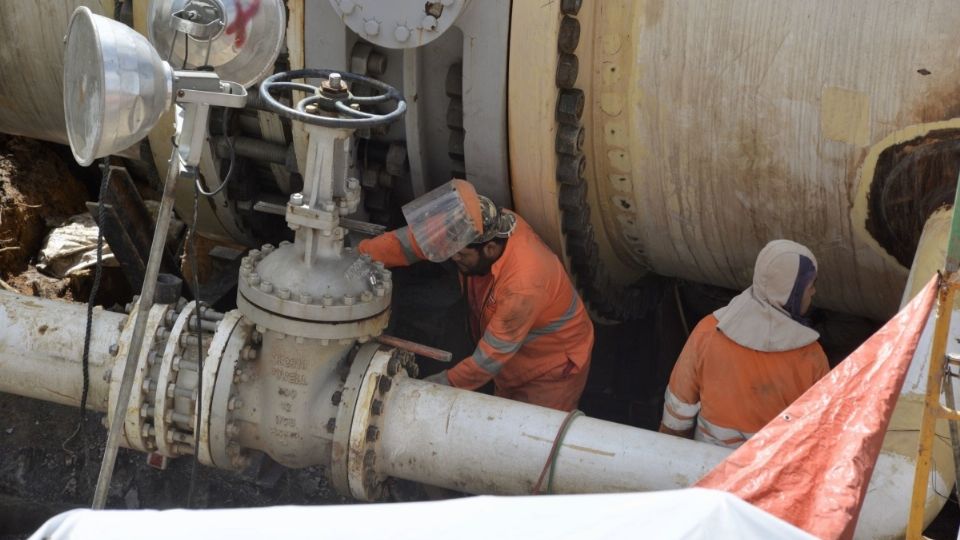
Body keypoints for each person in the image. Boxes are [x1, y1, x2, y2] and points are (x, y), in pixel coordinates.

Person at [359, 179, 594, 412]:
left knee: (527, 436)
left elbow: (487, 361)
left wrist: (433, 388)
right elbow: (409, 244)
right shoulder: (479, 227)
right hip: (510, 353)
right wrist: (362, 255)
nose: (453, 258)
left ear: (489, 249)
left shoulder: (523, 286)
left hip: (551, 370)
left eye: (460, 255)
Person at [659, 239, 829, 448]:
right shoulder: (811, 357)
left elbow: (677, 412)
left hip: (705, 465)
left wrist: (668, 456)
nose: (813, 292)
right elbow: (818, 435)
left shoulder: (708, 331)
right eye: (810, 286)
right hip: (764, 472)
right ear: (790, 293)